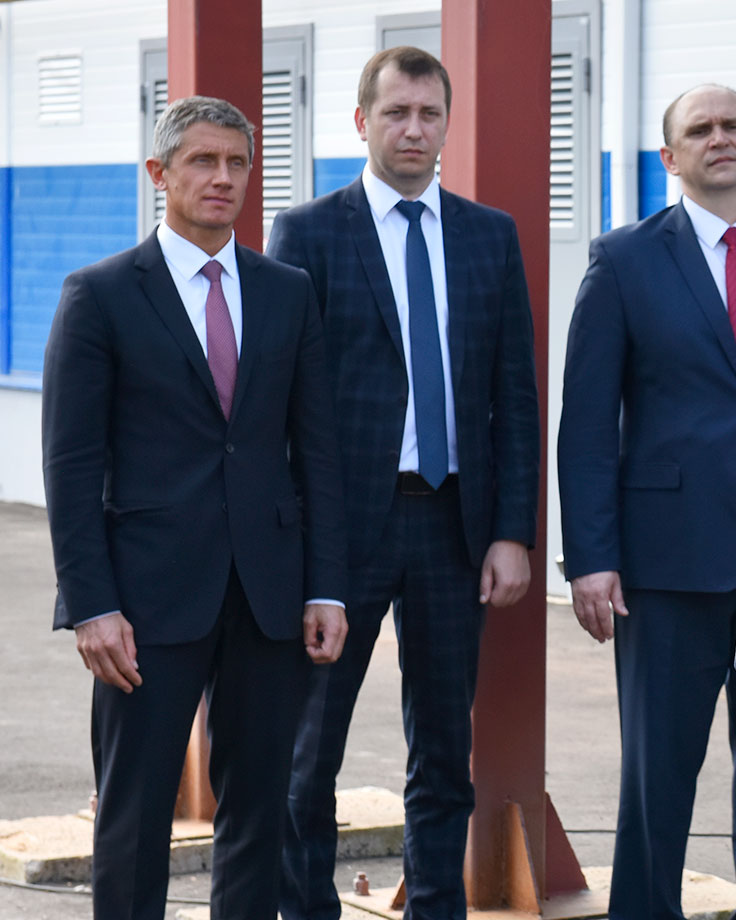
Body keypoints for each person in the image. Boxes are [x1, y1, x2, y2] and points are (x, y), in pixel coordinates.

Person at [42, 96, 348, 920]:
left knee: (260, 808)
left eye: (237, 163)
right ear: (159, 173)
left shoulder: (286, 292)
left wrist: (326, 586)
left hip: (269, 593)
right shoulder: (101, 294)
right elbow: (70, 465)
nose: (223, 178)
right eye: (203, 161)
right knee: (135, 811)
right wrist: (91, 605)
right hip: (146, 599)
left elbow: (316, 452)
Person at [558, 84, 736, 920]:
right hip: (667, 564)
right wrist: (592, 559)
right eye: (699, 129)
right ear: (670, 157)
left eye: (732, 126)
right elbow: (588, 421)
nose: (718, 138)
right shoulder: (624, 260)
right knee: (657, 780)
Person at [270, 47, 541, 920]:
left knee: (444, 752)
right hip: (341, 531)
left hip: (453, 526)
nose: (414, 130)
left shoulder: (487, 235)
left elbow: (514, 393)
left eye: (429, 114)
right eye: (396, 113)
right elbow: (283, 400)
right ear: (362, 122)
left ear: (447, 124)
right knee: (309, 752)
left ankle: (435, 908)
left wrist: (513, 530)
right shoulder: (308, 233)